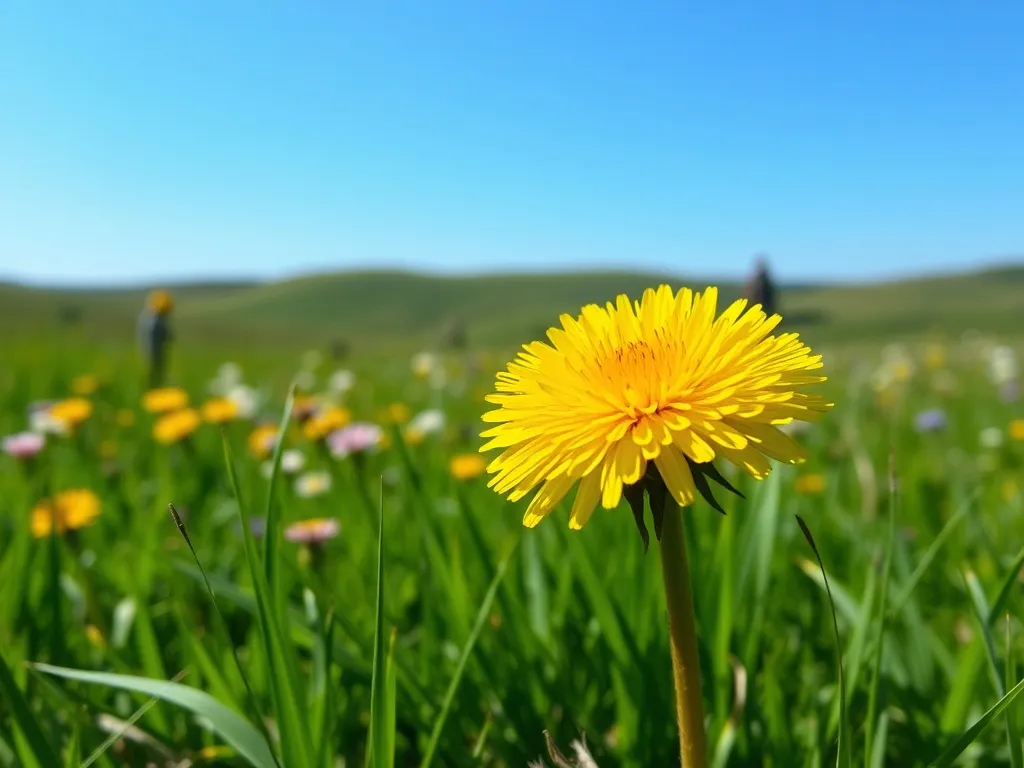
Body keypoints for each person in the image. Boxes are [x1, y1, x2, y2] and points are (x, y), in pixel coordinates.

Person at [137, 289, 174, 388]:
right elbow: (167, 337)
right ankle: (154, 386)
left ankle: (155, 385)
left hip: (153, 350)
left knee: (155, 370)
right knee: (155, 370)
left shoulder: (147, 317)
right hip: (154, 351)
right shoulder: (155, 320)